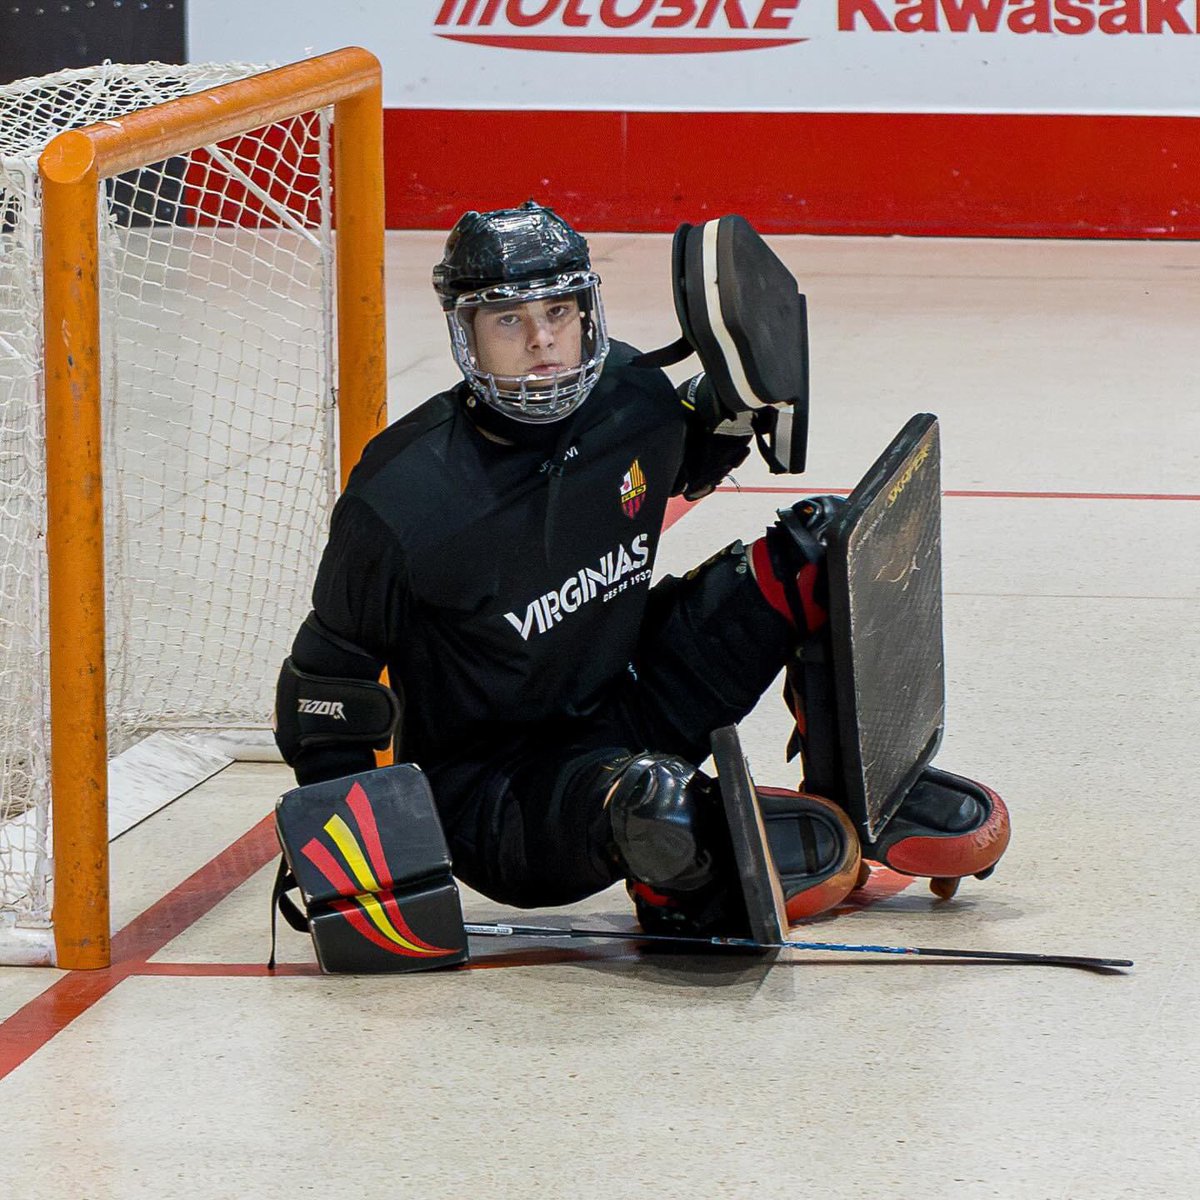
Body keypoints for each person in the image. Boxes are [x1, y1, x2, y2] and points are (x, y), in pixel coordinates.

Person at [273, 201, 1008, 936]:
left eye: (559, 310)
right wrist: (366, 896)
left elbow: (695, 443)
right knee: (656, 807)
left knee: (822, 550)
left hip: (627, 693)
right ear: (463, 333)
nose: (542, 341)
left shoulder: (629, 394)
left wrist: (734, 400)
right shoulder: (403, 496)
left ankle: (857, 794)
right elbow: (322, 699)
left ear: (588, 309)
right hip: (504, 794)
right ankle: (678, 884)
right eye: (508, 321)